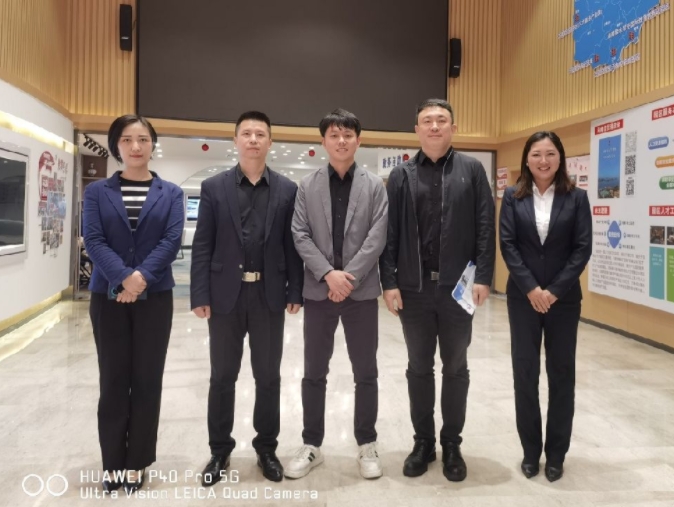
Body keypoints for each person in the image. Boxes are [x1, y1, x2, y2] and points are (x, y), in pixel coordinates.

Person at [379, 98, 495, 482]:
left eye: (441, 120)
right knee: (418, 367)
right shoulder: (401, 175)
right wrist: (389, 281)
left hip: (457, 290)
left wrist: (484, 276)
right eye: (426, 120)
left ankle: (452, 443)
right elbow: (389, 233)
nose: (434, 126)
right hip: (413, 290)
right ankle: (424, 442)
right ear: (416, 130)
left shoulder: (472, 170)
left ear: (452, 128)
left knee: (456, 367)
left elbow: (485, 225)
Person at [190, 111, 304, 485]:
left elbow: (292, 245)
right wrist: (199, 293)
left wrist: (295, 290)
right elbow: (203, 244)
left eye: (260, 134)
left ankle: (266, 448)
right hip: (225, 297)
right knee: (222, 376)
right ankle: (219, 451)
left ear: (270, 141)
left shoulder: (287, 189)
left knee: (268, 377)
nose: (253, 139)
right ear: (235, 140)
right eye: (247, 133)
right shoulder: (214, 187)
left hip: (269, 297)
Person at [84, 114, 184, 494]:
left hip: (154, 298)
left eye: (142, 139)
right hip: (107, 297)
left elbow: (171, 240)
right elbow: (94, 239)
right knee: (112, 380)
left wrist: (140, 278)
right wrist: (123, 277)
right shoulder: (97, 192)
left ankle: (137, 461)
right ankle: (112, 462)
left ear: (152, 144)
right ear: (116, 146)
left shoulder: (171, 193)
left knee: (147, 379)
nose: (136, 146)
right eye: (127, 139)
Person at [286, 109, 388, 479]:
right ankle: (311, 444)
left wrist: (349, 278)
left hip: (361, 294)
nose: (341, 141)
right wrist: (329, 275)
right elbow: (299, 234)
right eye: (334, 135)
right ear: (323, 141)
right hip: (319, 292)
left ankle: (367, 443)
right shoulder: (307, 185)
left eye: (348, 135)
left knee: (366, 371)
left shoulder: (374, 186)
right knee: (314, 371)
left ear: (358, 140)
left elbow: (378, 235)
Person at [499, 131, 592, 482]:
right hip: (523, 299)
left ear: (560, 158)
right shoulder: (513, 197)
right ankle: (530, 451)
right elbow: (508, 245)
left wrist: (552, 291)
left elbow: (582, 249)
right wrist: (531, 289)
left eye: (550, 154)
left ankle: (556, 454)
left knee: (561, 375)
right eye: (537, 154)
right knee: (525, 374)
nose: (543, 160)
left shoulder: (577, 197)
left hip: (563, 301)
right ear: (527, 158)